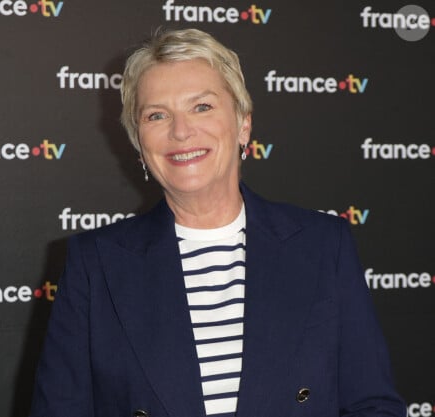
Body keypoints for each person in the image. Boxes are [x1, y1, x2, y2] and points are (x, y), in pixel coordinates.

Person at [29, 28, 405, 417]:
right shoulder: (95, 264)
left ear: (243, 124)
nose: (181, 131)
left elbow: (373, 406)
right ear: (138, 142)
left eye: (202, 107)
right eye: (157, 115)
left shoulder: (324, 245)